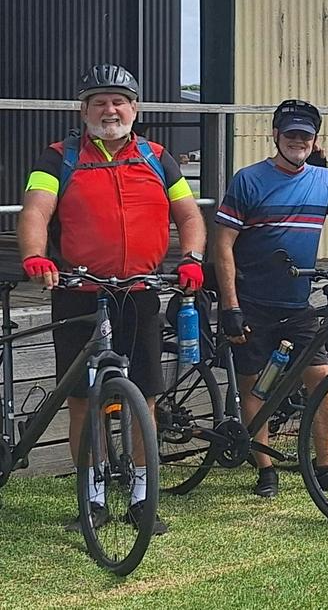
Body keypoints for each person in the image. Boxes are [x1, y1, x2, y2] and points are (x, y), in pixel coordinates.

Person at [18, 64, 207, 534]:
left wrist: (193, 258)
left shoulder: (159, 157)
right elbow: (35, 212)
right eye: (99, 101)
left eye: (119, 100)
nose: (110, 109)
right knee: (82, 400)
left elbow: (188, 215)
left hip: (140, 293)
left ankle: (143, 495)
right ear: (84, 109)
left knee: (145, 396)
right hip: (80, 294)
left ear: (135, 108)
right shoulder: (57, 157)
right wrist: (36, 257)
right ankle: (93, 493)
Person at [212, 99, 328, 499]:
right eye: (291, 134)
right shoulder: (248, 180)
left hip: (298, 304)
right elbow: (222, 245)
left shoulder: (324, 181)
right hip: (254, 302)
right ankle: (265, 468)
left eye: (305, 136)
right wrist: (230, 306)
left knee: (322, 383)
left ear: (316, 141)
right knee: (253, 389)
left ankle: (325, 468)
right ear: (275, 136)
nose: (298, 141)